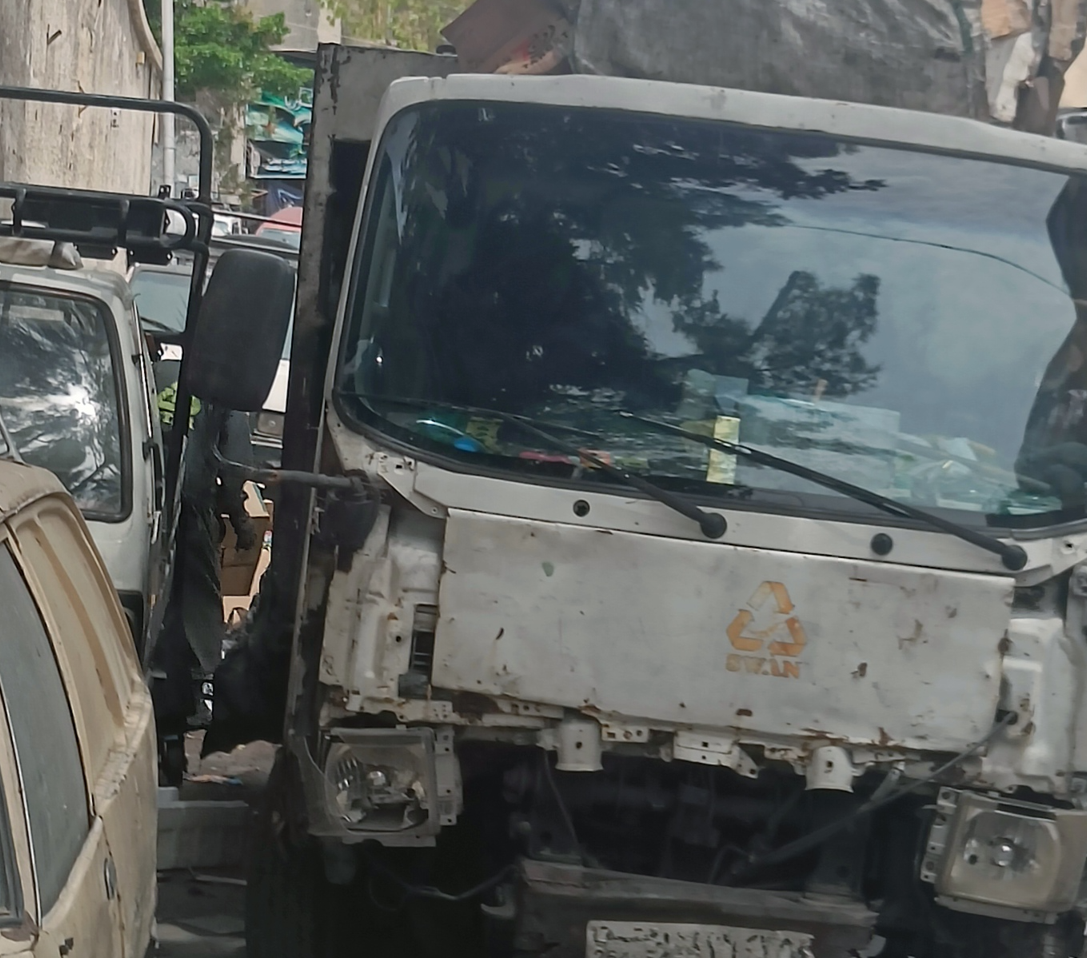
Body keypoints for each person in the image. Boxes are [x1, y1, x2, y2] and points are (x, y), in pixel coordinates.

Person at [151, 356, 256, 784]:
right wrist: (241, 520)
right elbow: (232, 469)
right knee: (196, 613)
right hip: (192, 510)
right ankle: (195, 701)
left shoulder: (147, 369)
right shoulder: (227, 392)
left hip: (140, 503)